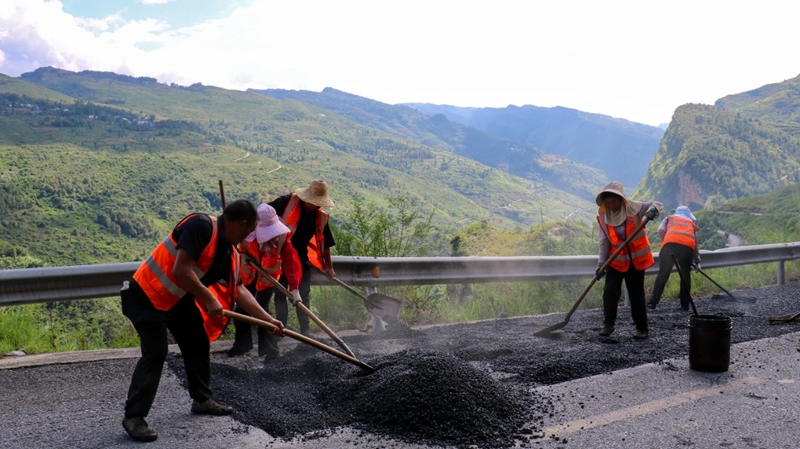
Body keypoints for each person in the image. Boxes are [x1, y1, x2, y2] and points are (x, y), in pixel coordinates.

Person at [120, 199, 285, 442]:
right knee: (156, 352)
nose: (247, 238)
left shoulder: (229, 251)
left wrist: (268, 320)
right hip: (146, 294)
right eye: (249, 231)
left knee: (197, 342)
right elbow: (181, 270)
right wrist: (208, 297)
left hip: (177, 299)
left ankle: (202, 400)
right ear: (241, 224)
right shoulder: (200, 226)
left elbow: (239, 291)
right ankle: (134, 417)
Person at [228, 203, 302, 361]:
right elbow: (232, 246)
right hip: (247, 275)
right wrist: (241, 255)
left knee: (262, 310)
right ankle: (243, 344)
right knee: (241, 308)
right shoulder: (247, 233)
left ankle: (271, 350)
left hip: (267, 278)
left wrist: (295, 288)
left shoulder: (282, 237)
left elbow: (291, 261)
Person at [594, 181, 662, 340]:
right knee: (610, 292)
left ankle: (642, 329)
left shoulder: (635, 208)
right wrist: (601, 265)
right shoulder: (604, 217)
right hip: (616, 261)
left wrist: (653, 211)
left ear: (621, 199)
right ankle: (608, 325)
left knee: (636, 295)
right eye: (608, 202)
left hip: (636, 262)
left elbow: (657, 204)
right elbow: (604, 241)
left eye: (614, 201)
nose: (611, 205)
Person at [269, 179, 336, 338]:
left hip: (301, 260)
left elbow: (326, 242)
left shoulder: (319, 217)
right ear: (307, 199)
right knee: (281, 294)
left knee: (304, 295)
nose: (318, 206)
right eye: (316, 202)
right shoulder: (285, 203)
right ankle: (281, 329)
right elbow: (263, 215)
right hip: (281, 257)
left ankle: (305, 331)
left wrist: (329, 267)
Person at [648, 206, 701, 311]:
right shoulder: (690, 223)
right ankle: (685, 305)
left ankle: (653, 303)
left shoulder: (669, 218)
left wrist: (665, 242)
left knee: (663, 274)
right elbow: (695, 244)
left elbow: (660, 230)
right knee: (685, 275)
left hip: (669, 245)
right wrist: (697, 261)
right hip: (687, 248)